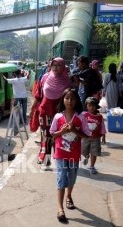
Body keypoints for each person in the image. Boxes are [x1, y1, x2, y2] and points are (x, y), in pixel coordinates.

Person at [49, 88, 91, 223]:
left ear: (77, 100)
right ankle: (60, 209)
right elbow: (53, 135)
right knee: (61, 178)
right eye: (67, 98)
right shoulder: (57, 117)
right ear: (63, 99)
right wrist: (62, 131)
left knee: (71, 178)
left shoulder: (81, 117)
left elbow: (87, 135)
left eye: (72, 98)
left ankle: (69, 195)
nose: (69, 101)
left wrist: (74, 130)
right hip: (60, 153)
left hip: (74, 154)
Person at [31, 57, 72, 168]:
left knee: (60, 137)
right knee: (47, 137)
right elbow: (38, 95)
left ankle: (59, 160)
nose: (55, 68)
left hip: (60, 114)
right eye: (53, 65)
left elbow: (71, 99)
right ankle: (47, 161)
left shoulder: (68, 81)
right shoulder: (45, 77)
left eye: (58, 65)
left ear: (63, 67)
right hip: (45, 113)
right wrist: (33, 108)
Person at [81, 97, 106, 174]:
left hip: (96, 138)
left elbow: (102, 127)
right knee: (83, 151)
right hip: (85, 137)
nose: (92, 107)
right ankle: (86, 156)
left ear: (96, 106)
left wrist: (103, 137)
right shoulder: (84, 115)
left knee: (94, 152)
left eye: (93, 105)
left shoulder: (99, 117)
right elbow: (80, 125)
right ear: (86, 106)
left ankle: (92, 166)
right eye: (89, 105)